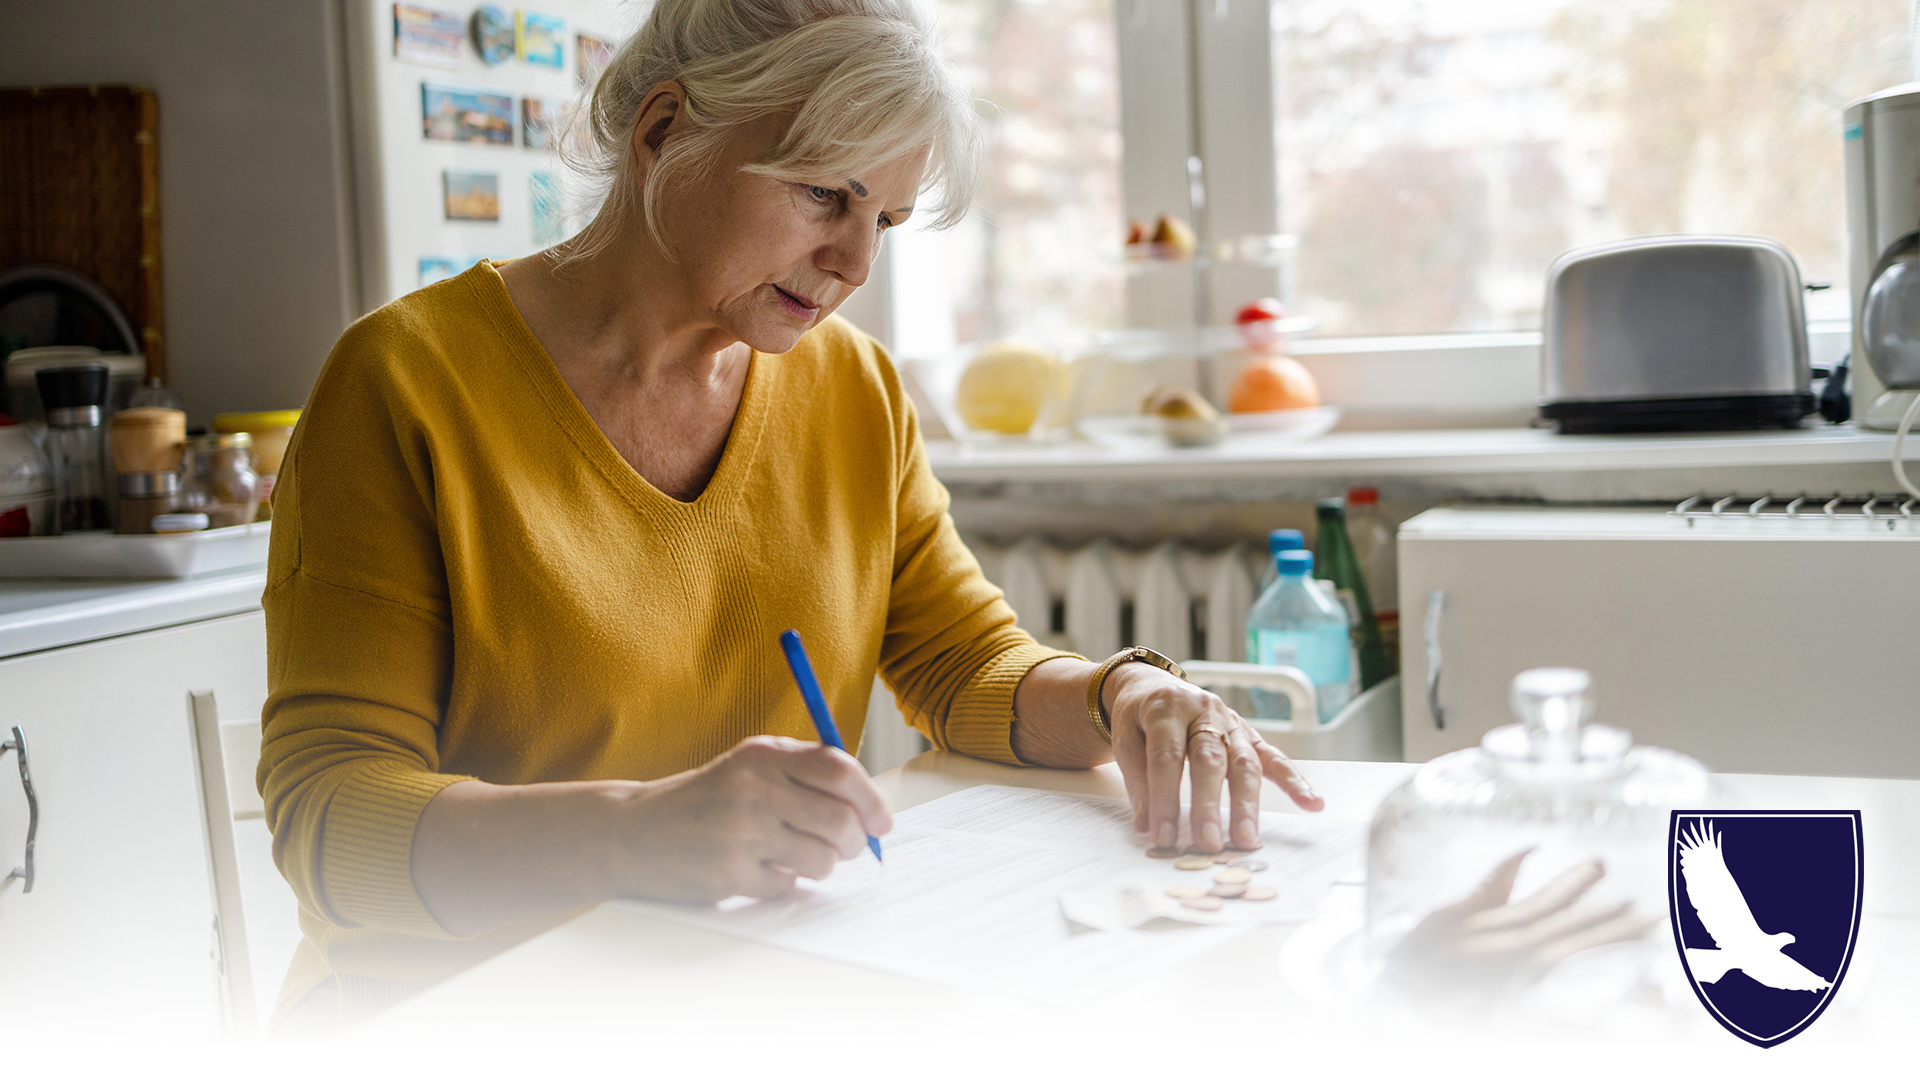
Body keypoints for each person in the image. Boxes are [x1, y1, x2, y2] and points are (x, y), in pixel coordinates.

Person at [259, 0, 1323, 1031]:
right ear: (664, 132)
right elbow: (331, 820)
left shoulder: (852, 388)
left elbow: (963, 668)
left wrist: (1120, 693)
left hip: (735, 987)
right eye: (825, 196)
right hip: (463, 1016)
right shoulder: (406, 383)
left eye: (885, 222)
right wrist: (635, 832)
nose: (856, 264)